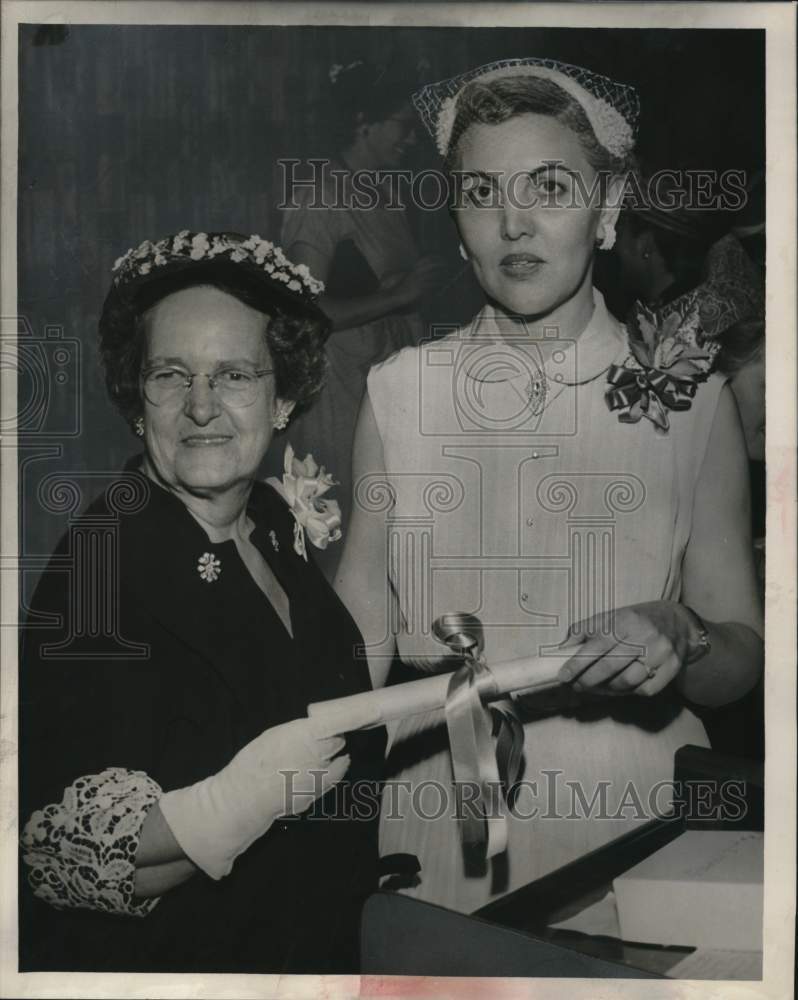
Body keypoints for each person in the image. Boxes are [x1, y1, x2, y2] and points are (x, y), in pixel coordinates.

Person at [335, 59, 764, 914]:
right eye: (483, 192)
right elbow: (358, 637)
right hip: (437, 794)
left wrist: (683, 634)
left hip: (630, 807)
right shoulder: (398, 392)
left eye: (550, 187)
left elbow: (741, 660)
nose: (514, 221)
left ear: (606, 212)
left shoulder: (693, 399)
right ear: (457, 226)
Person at [19, 231, 385, 972]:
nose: (201, 407)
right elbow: (53, 849)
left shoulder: (275, 526)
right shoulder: (101, 559)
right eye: (170, 375)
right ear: (136, 398)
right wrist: (242, 798)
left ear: (282, 398)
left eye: (235, 376)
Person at [281, 60, 445, 579]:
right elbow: (301, 314)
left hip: (385, 382)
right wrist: (400, 297)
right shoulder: (321, 197)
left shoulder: (387, 197)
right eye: (402, 124)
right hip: (338, 392)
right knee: (340, 539)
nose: (411, 138)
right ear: (362, 121)